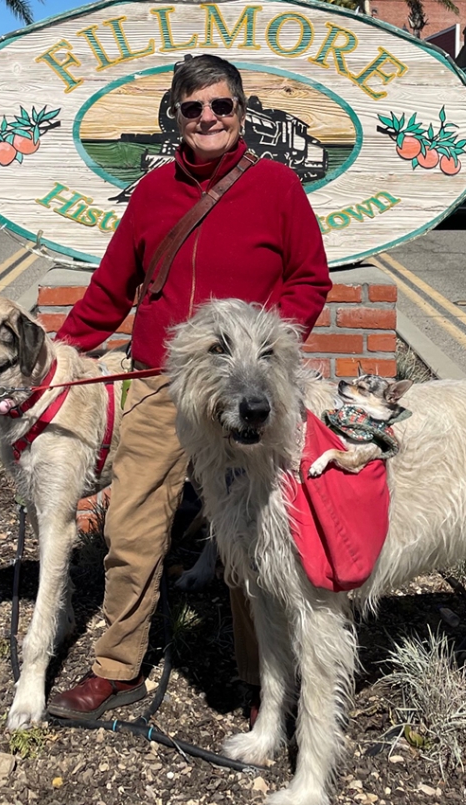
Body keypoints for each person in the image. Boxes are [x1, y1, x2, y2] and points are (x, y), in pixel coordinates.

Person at [47, 54, 332, 721]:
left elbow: (309, 280)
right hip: (159, 386)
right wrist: (60, 359)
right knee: (133, 528)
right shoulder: (152, 194)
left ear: (241, 112)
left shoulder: (278, 188)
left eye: (221, 106)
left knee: (254, 537)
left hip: (245, 397)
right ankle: (118, 670)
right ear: (177, 115)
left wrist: (263, 354)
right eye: (193, 108)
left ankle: (262, 677)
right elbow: (110, 289)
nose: (208, 118)